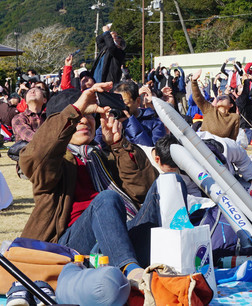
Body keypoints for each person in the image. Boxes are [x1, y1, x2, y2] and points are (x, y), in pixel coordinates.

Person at [19, 83, 160, 282]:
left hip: (122, 235)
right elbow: (38, 154)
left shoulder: (104, 155)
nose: (85, 121)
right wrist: (74, 110)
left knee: (170, 182)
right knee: (107, 199)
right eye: (79, 117)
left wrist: (120, 146)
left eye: (90, 115)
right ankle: (131, 272)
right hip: (75, 249)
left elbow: (144, 190)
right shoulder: (54, 162)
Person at [94, 80, 166, 148]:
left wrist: (130, 123)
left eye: (124, 104)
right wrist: (105, 126)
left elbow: (152, 153)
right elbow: (98, 146)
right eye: (116, 103)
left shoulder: (155, 124)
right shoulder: (114, 119)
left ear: (137, 101)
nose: (119, 107)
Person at [191, 69, 239, 140]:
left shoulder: (234, 118)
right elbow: (197, 97)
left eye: (224, 97)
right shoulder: (209, 109)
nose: (221, 98)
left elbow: (232, 140)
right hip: (204, 144)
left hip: (221, 148)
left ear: (231, 105)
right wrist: (194, 82)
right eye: (220, 97)